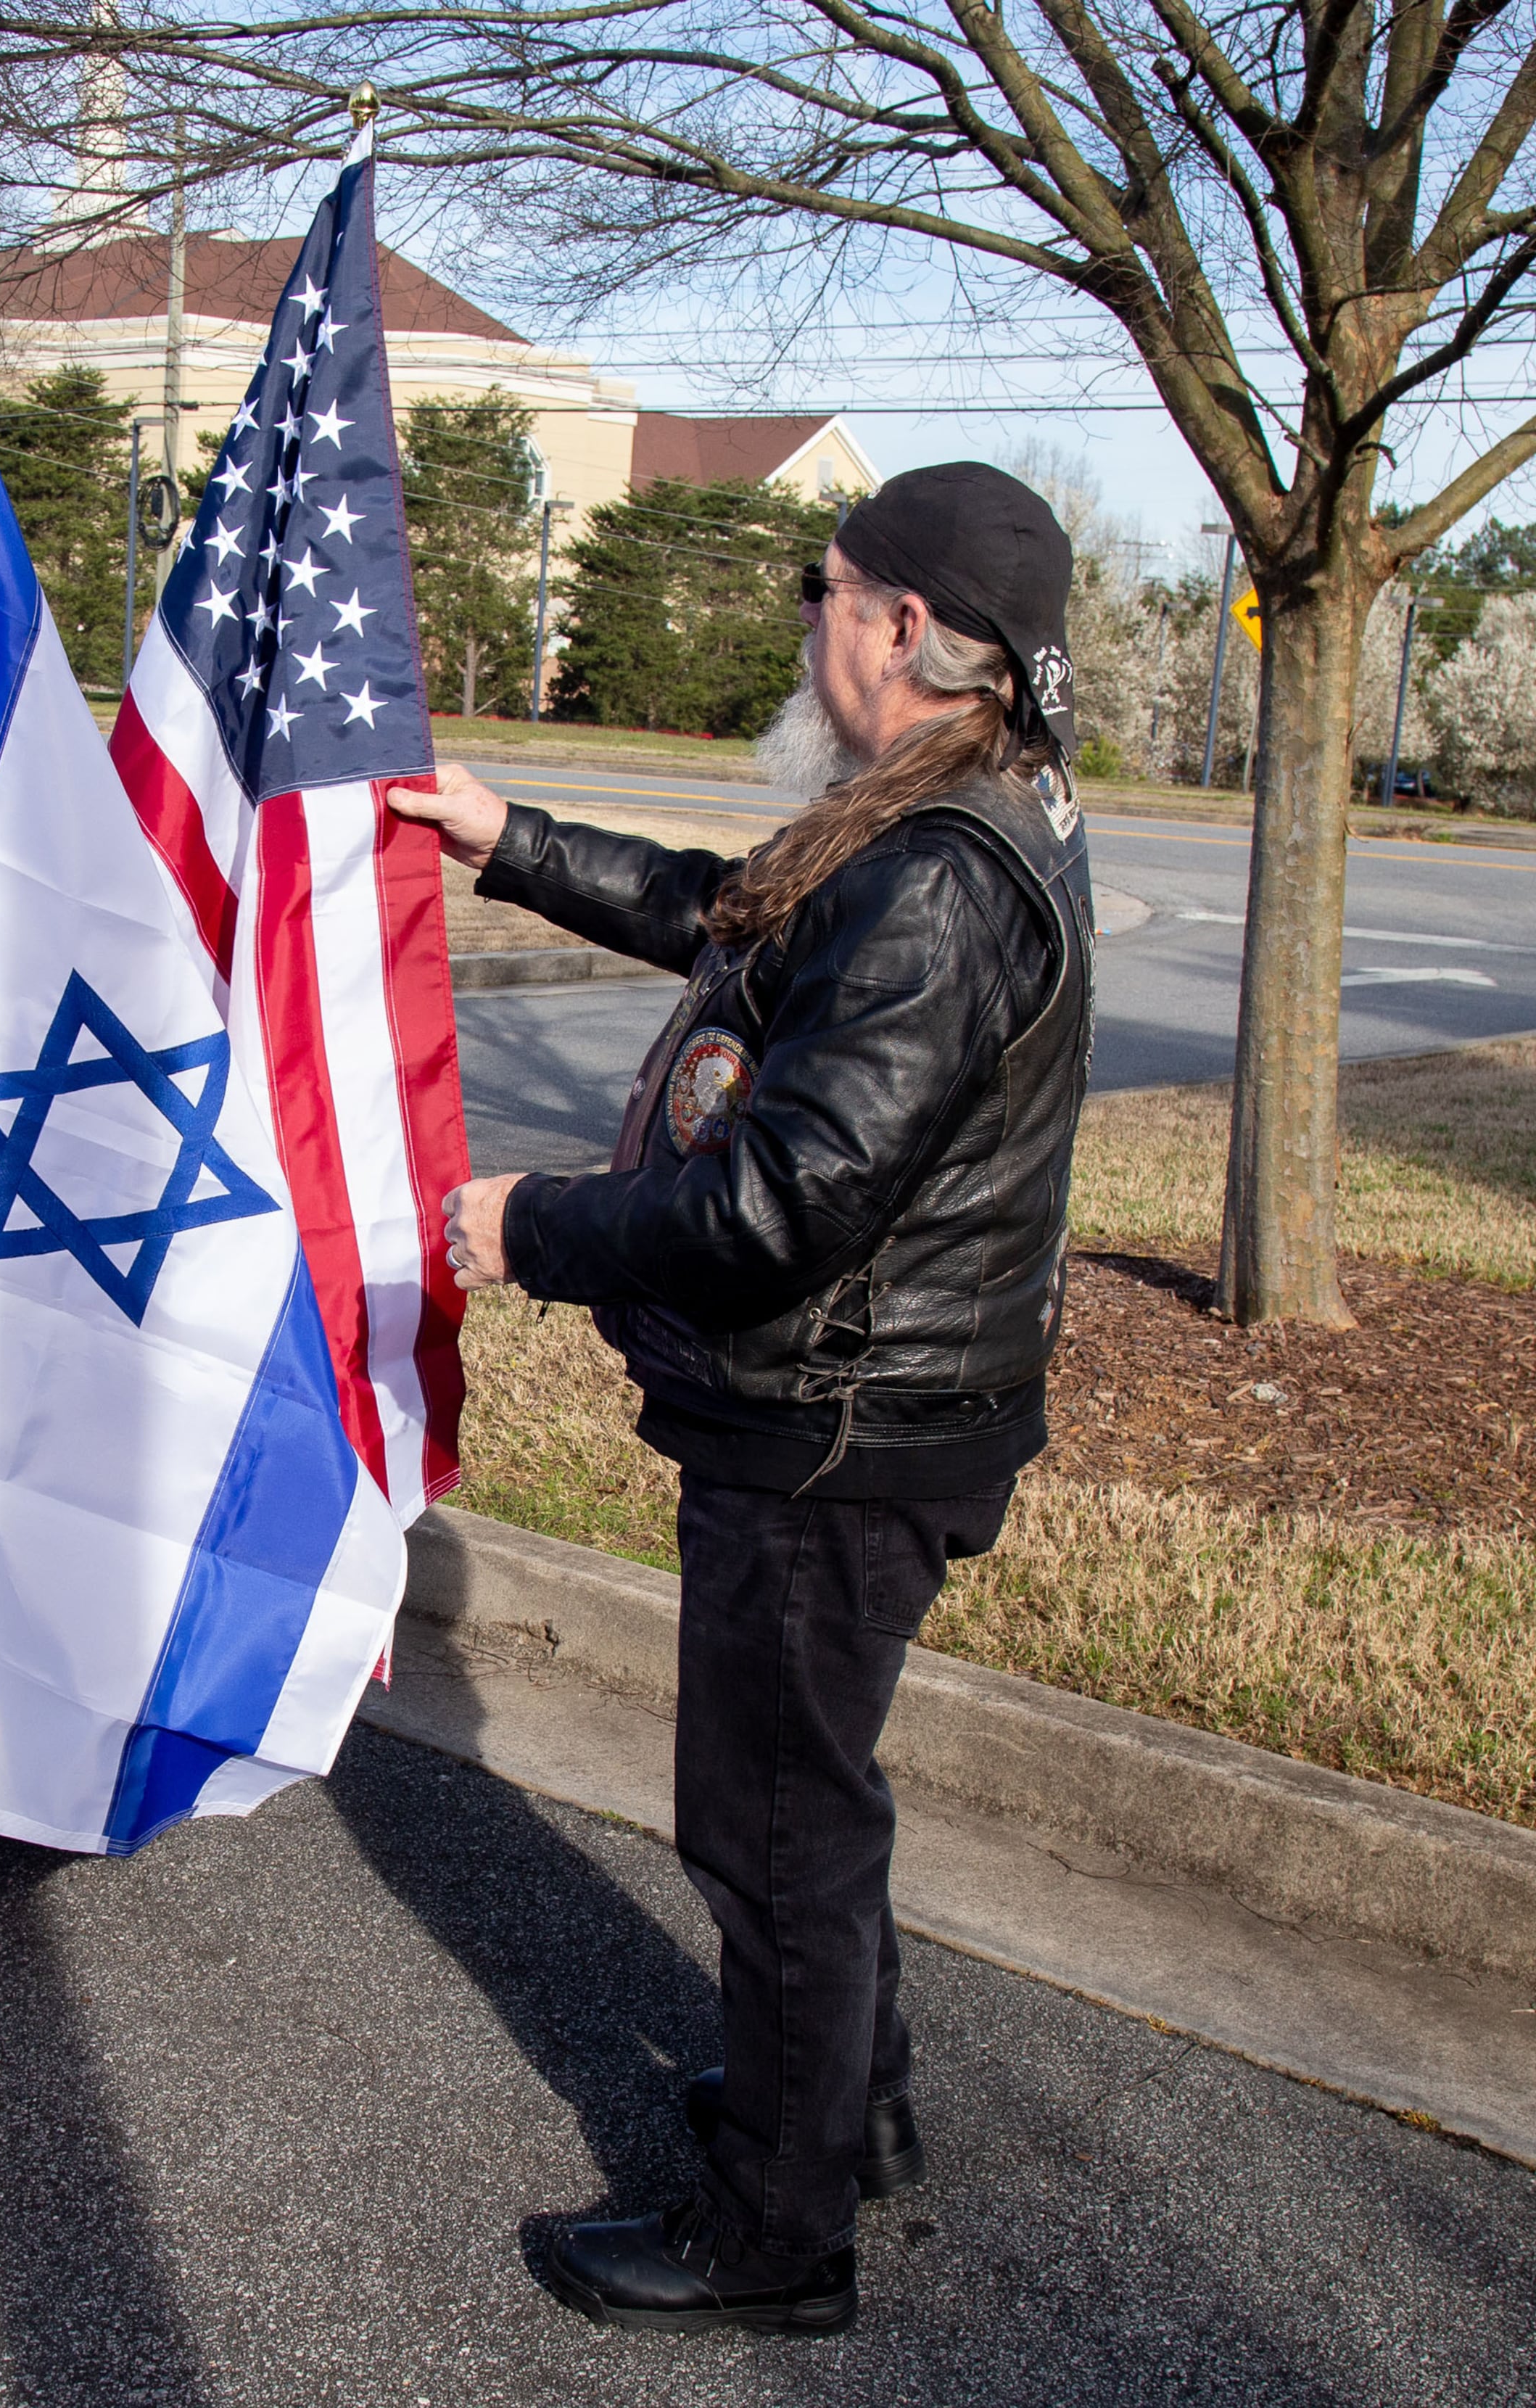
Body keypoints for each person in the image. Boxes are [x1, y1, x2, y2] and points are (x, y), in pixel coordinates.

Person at [391, 463, 1094, 2335]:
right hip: (869, 1415)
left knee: (771, 1825)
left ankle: (774, 2243)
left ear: (919, 639)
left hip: (839, 1435)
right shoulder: (931, 820)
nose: (811, 617)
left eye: (831, 588)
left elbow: (792, 1197)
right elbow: (737, 918)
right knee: (815, 1810)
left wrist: (525, 1224)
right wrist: (504, 834)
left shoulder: (940, 875)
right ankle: (838, 2115)